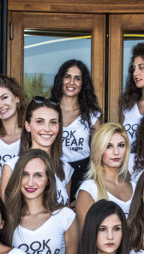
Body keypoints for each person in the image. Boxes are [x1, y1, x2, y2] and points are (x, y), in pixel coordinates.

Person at [0, 97, 73, 206]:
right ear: (27, 126)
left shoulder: (65, 169)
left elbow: (66, 213)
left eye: (53, 122)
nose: (47, 129)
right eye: (40, 122)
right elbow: (5, 212)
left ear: (59, 126)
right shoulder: (12, 166)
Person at [50, 60, 102, 197]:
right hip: (54, 170)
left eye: (77, 78)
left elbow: (98, 152)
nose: (71, 82)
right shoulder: (49, 110)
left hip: (82, 173)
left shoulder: (92, 115)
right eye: (67, 77)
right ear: (60, 80)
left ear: (83, 83)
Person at [76, 123, 135, 227]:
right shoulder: (89, 189)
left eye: (121, 145)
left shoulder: (135, 187)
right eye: (109, 146)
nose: (116, 152)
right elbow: (86, 236)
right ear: (99, 149)